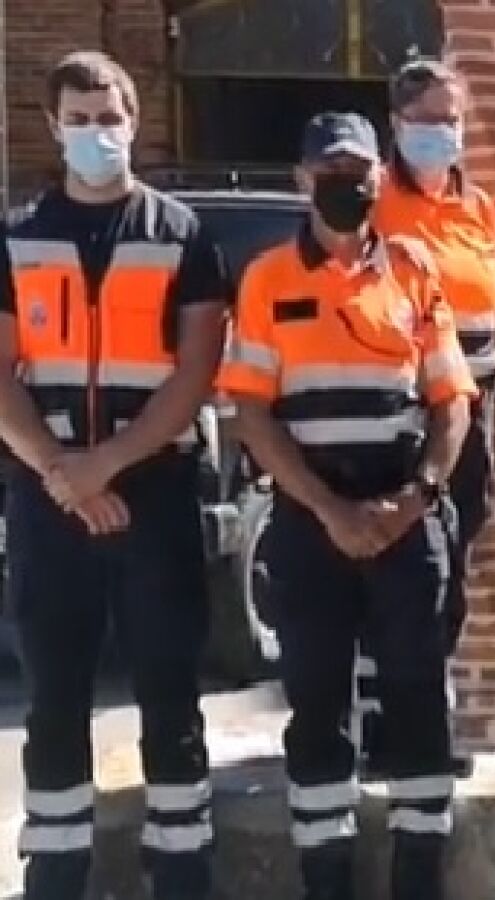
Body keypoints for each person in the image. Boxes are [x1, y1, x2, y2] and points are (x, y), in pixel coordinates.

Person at [217, 111, 475, 900]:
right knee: (317, 701)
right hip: (309, 517)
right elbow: (251, 411)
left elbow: (451, 400)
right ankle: (327, 880)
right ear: (303, 179)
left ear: (377, 178)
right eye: (330, 173)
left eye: (359, 173)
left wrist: (417, 497)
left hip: (405, 512)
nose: (347, 186)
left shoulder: (414, 269)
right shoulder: (267, 279)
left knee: (417, 697)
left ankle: (418, 879)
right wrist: (329, 509)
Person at [0, 51, 229, 900]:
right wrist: (63, 473)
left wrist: (106, 466)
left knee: (170, 689)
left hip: (154, 493)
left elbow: (194, 373)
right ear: (53, 126)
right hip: (48, 497)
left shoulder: (181, 234)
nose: (97, 133)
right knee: (55, 695)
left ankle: (182, 870)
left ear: (134, 121)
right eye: (80, 120)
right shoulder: (17, 235)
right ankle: (55, 873)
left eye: (109, 118)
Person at [354, 58, 495, 780]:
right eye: (427, 119)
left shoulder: (478, 207)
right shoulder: (374, 200)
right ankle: (383, 730)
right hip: (406, 409)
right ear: (397, 124)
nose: (442, 132)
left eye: (452, 118)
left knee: (451, 565)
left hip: (471, 409)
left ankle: (426, 724)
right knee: (401, 568)